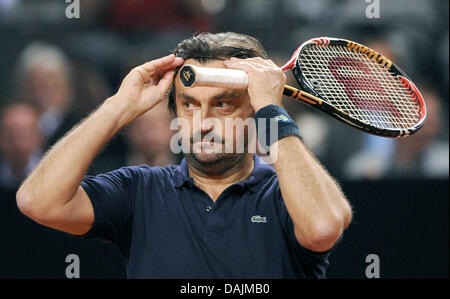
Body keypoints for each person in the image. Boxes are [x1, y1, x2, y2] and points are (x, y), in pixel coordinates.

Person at [16, 32, 352, 278]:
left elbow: (323, 227)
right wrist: (117, 107)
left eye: (222, 104)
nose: (203, 123)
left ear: (254, 113)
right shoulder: (140, 190)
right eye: (190, 105)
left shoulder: (284, 196)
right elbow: (37, 201)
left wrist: (271, 108)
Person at [0, 102, 43, 192]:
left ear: (38, 137)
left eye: (23, 135)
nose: (16, 142)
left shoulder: (53, 172)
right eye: (9, 134)